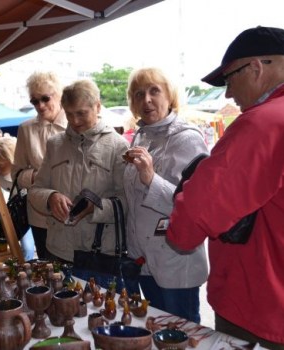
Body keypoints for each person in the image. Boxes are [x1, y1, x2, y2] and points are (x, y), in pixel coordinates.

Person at [167, 26, 284, 349]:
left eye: (230, 79)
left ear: (256, 68)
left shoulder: (264, 124)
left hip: (259, 312)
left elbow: (187, 226)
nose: (228, 94)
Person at [122, 68, 209, 323]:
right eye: (139, 94)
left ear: (170, 96)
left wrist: (151, 178)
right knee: (156, 331)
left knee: (179, 336)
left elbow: (196, 205)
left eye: (154, 91)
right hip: (144, 261)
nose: (146, 99)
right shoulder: (141, 136)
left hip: (175, 262)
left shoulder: (188, 139)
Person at [28, 79, 129, 289]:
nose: (74, 121)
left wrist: (96, 208)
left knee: (99, 316)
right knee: (60, 315)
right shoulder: (55, 144)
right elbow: (35, 190)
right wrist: (50, 198)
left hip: (99, 254)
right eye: (70, 113)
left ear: (98, 106)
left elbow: (127, 201)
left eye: (81, 113)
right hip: (59, 250)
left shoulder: (118, 146)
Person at [12, 71, 67, 259]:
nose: (40, 106)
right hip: (40, 216)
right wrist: (35, 177)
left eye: (45, 98)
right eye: (34, 101)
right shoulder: (26, 129)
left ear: (59, 95)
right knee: (49, 272)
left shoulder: (76, 124)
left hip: (73, 214)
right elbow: (16, 174)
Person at [0, 136, 36, 261]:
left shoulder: (25, 170)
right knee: (24, 247)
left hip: (34, 209)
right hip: (19, 212)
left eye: (0, 164)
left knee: (27, 248)